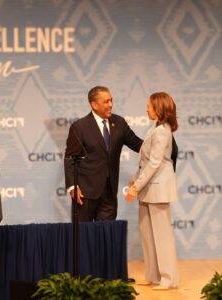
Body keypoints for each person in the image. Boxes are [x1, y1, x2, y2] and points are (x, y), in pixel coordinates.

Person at [125, 92, 180, 290]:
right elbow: (145, 162)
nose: (146, 109)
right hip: (148, 189)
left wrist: (135, 187)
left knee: (161, 235)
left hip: (158, 189)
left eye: (149, 106)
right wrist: (135, 181)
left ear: (158, 108)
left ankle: (168, 278)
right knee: (147, 233)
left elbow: (155, 163)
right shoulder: (154, 128)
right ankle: (154, 275)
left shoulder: (162, 131)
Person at [64, 86, 142, 222]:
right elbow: (70, 158)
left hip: (109, 193)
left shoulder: (119, 123)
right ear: (94, 105)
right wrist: (72, 186)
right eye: (106, 102)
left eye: (111, 100)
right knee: (84, 237)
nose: (111, 104)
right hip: (85, 193)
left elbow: (138, 144)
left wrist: (160, 144)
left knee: (106, 236)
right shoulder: (79, 127)